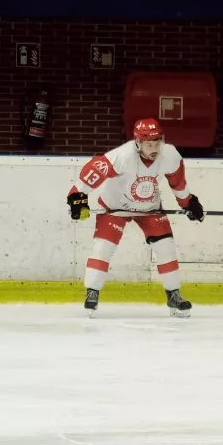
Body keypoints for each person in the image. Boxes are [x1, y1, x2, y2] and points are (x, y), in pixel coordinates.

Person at [66, 117, 204, 317]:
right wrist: (77, 197)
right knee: (103, 247)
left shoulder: (170, 155)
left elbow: (178, 183)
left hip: (149, 209)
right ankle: (92, 293)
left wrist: (188, 203)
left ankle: (174, 295)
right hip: (115, 208)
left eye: (157, 141)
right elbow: (94, 170)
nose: (154, 147)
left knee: (166, 247)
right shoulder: (122, 156)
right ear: (138, 143)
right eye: (149, 143)